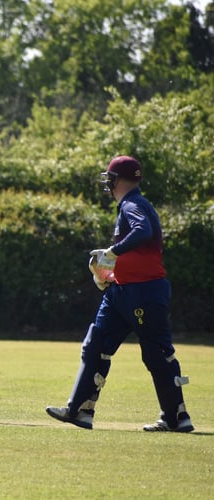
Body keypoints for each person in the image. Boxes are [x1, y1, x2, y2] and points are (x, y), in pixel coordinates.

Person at [46, 155, 194, 432]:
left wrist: (112, 252)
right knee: (96, 345)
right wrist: (111, 275)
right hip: (121, 291)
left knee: (156, 353)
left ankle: (176, 418)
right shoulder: (131, 204)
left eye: (110, 178)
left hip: (144, 291)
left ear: (116, 180)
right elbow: (137, 251)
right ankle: (79, 411)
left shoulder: (133, 204)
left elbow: (143, 230)